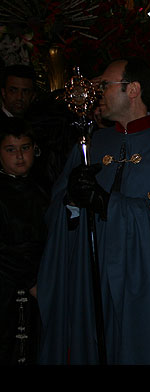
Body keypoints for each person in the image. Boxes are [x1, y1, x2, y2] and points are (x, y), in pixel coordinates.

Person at [37, 57, 150, 364]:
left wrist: (107, 204)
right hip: (90, 282)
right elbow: (57, 211)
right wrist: (72, 202)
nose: (97, 91)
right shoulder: (91, 144)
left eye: (105, 85)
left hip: (141, 286)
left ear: (133, 90)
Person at [0, 118, 48, 365]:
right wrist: (31, 281)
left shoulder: (42, 189)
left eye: (25, 148)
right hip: (7, 289)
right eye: (11, 150)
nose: (19, 156)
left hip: (39, 286)